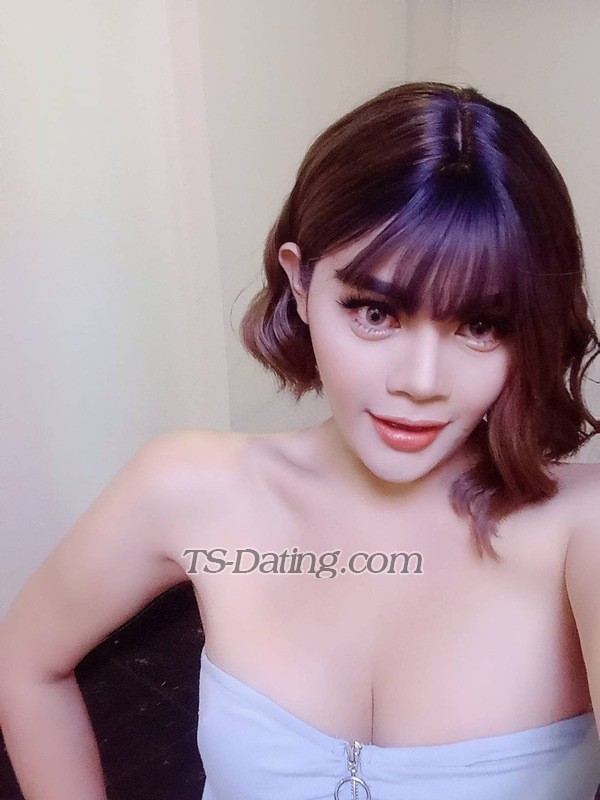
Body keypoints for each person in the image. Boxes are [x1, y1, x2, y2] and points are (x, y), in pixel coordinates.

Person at [1, 81, 600, 800]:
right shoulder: (191, 487)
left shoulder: (583, 529)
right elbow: (24, 663)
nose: (421, 381)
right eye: (375, 312)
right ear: (301, 284)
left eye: (481, 325)